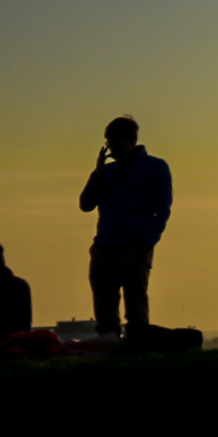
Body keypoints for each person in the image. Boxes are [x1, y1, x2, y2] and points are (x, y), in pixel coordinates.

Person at [78, 116, 173, 342]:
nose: (113, 151)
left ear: (132, 140)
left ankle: (138, 342)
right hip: (104, 244)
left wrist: (147, 241)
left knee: (135, 297)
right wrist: (97, 174)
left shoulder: (156, 167)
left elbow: (163, 208)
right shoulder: (106, 172)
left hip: (136, 244)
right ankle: (109, 341)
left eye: (117, 146)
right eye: (110, 146)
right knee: (103, 299)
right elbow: (85, 204)